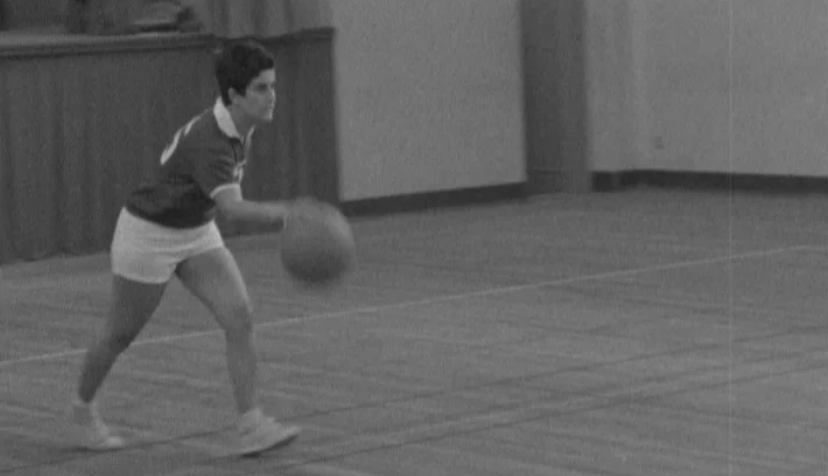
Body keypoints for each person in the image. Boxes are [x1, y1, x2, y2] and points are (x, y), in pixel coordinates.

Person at [71, 39, 314, 456]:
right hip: (149, 233)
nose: (272, 95)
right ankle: (81, 409)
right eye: (261, 88)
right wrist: (290, 212)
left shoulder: (240, 125)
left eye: (272, 85)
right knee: (119, 334)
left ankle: (251, 423)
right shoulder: (213, 141)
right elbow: (233, 210)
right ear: (234, 96)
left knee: (239, 315)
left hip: (195, 228)